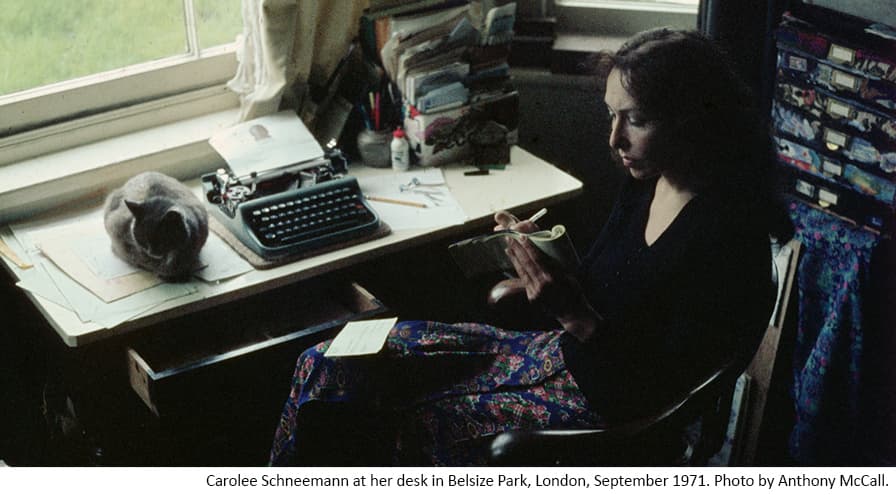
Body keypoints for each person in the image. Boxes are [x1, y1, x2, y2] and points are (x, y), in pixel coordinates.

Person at [269, 27, 783, 466]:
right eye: (611, 115)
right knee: (329, 363)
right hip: (555, 352)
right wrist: (537, 254)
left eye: (636, 120)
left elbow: (654, 394)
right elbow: (605, 281)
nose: (614, 139)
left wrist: (573, 313)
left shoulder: (727, 239)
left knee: (392, 421)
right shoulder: (650, 178)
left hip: (601, 405)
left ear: (693, 118)